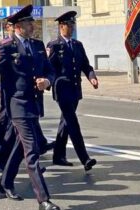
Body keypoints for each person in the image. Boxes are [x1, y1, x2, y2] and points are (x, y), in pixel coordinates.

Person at [0, 5, 60, 210]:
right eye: (29, 23)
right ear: (19, 26)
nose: (33, 25)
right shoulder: (6, 47)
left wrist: (47, 81)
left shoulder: (38, 45)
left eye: (32, 22)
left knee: (22, 146)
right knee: (32, 150)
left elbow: (50, 71)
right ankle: (43, 199)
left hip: (34, 103)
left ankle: (5, 182)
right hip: (17, 105)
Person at [47, 11, 98, 171]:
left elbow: (85, 65)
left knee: (66, 123)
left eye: (73, 24)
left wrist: (92, 77)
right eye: (68, 25)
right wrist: (49, 82)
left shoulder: (77, 45)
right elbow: (48, 67)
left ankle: (58, 155)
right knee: (73, 123)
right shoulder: (54, 45)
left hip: (75, 89)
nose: (71, 27)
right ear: (61, 26)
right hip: (61, 89)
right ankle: (85, 158)